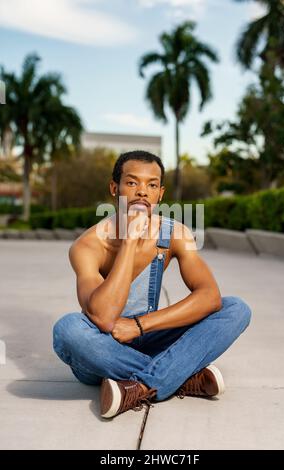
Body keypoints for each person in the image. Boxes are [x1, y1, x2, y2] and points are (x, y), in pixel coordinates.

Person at [53, 150, 251, 419]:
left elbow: (209, 297)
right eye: (132, 182)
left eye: (152, 185)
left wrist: (139, 326)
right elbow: (102, 316)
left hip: (148, 335)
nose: (142, 192)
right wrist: (130, 242)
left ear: (160, 194)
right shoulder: (89, 246)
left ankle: (141, 386)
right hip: (101, 348)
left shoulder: (175, 234)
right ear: (115, 188)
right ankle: (180, 377)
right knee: (67, 330)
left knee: (235, 308)